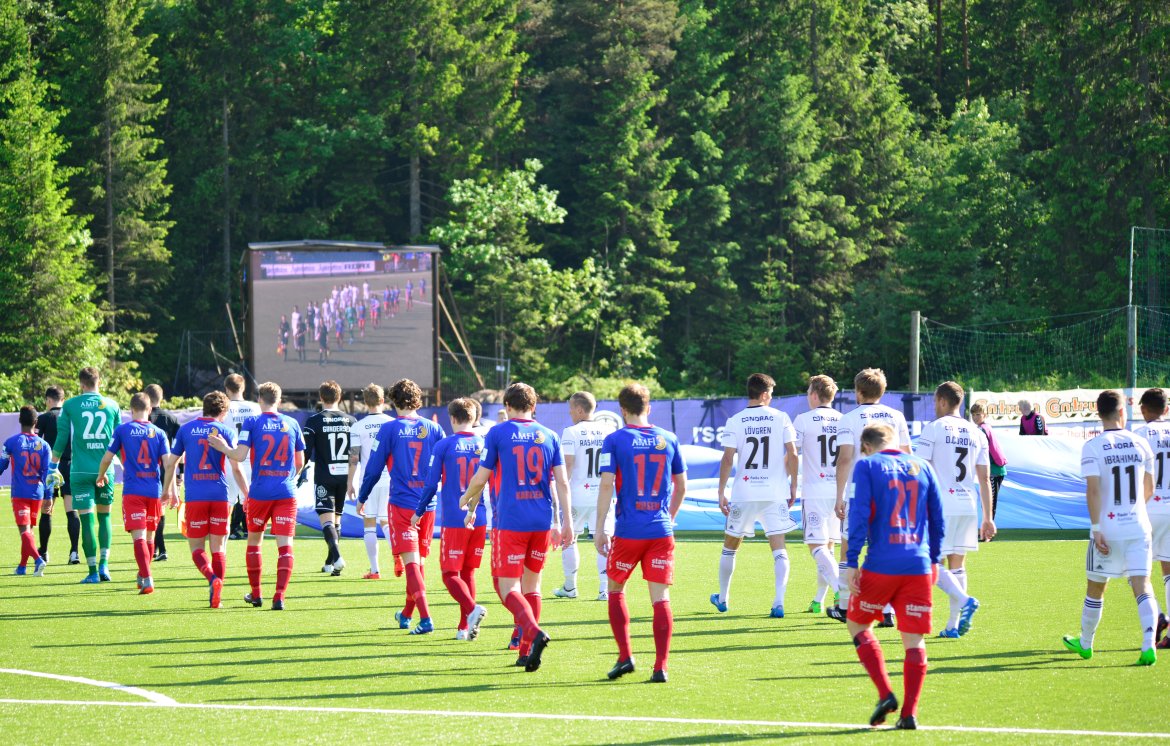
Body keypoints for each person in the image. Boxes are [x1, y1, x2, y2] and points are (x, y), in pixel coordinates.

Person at [459, 382, 574, 671]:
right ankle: (524, 652)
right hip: (541, 520)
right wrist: (564, 523)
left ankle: (534, 633)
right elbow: (561, 482)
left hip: (511, 520)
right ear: (533, 407)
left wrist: (466, 497)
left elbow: (481, 476)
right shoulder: (549, 436)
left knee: (505, 587)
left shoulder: (498, 432)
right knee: (532, 586)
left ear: (507, 407)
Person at [845, 424, 943, 730]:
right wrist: (935, 559)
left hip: (881, 563)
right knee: (913, 640)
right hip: (918, 564)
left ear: (867, 446)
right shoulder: (923, 466)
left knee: (857, 623)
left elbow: (859, 515)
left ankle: (886, 693)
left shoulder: (867, 465)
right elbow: (938, 518)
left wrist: (851, 561)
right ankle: (909, 714)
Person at [596, 384, 687, 683]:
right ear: (649, 407)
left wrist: (600, 528)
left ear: (622, 410)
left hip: (628, 531)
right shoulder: (669, 438)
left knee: (615, 589)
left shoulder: (614, 440)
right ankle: (661, 666)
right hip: (660, 530)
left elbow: (607, 485)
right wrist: (667, 519)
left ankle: (625, 656)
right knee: (660, 598)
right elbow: (681, 486)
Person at [1062, 389, 1160, 666]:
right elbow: (1149, 489)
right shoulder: (1141, 444)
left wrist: (1096, 527)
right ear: (1121, 412)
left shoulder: (1092, 447)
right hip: (1139, 526)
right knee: (1142, 586)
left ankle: (1086, 643)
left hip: (1108, 527)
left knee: (1096, 587)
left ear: (1099, 414)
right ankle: (1147, 644)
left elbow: (1092, 491)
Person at [357, 379, 445, 634]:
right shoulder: (435, 429)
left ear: (393, 401)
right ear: (418, 399)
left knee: (411, 564)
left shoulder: (390, 429)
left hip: (402, 505)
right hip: (428, 506)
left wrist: (362, 497)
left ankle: (426, 618)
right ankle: (406, 613)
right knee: (418, 564)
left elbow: (373, 468)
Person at [209, 381, 306, 610]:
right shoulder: (292, 423)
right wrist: (288, 477)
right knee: (285, 546)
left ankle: (256, 593)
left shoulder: (252, 422)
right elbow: (300, 461)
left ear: (260, 400)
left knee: (254, 543)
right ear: (279, 401)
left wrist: (223, 447)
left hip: (260, 492)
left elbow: (240, 455)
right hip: (286, 491)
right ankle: (279, 596)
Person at [711, 373, 798, 617]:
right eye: (770, 393)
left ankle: (723, 598)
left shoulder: (735, 421)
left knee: (730, 546)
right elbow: (792, 454)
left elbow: (728, 458)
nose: (771, 397)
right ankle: (778, 602)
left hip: (744, 492)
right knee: (779, 548)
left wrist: (721, 492)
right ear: (764, 394)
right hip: (774, 493)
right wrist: (793, 485)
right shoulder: (781, 418)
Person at [830, 368, 912, 624]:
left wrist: (839, 495)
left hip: (861, 491)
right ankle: (886, 611)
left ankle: (844, 606)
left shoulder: (849, 418)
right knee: (883, 548)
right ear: (883, 391)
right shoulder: (896, 416)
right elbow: (907, 454)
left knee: (848, 547)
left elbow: (844, 459)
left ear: (858, 391)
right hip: (892, 491)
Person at [915, 382, 996, 637]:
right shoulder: (977, 433)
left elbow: (921, 472)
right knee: (957, 565)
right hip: (967, 506)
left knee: (930, 565)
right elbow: (984, 478)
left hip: (940, 506)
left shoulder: (934, 429)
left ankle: (964, 600)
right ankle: (952, 626)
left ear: (941, 400)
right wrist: (989, 517)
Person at [414, 398, 489, 640]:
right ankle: (464, 628)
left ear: (453, 419)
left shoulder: (444, 445)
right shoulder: (485, 444)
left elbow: (431, 482)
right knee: (468, 573)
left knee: (449, 575)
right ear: (474, 417)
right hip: (480, 517)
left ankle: (472, 610)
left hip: (455, 518)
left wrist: (419, 510)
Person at [165, 391, 243, 608]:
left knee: (197, 549)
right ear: (224, 411)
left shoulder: (186, 429)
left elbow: (171, 463)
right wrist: (246, 493)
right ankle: (217, 596)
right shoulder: (226, 431)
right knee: (219, 548)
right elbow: (236, 465)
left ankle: (212, 579)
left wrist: (168, 490)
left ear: (203, 407)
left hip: (195, 496)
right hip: (220, 495)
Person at [49, 367, 120, 583]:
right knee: (105, 516)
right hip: (106, 470)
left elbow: (62, 438)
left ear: (81, 384)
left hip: (80, 470)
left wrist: (53, 465)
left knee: (87, 520)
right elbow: (117, 441)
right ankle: (104, 565)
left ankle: (92, 572)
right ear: (100, 382)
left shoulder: (70, 405)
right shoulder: (113, 405)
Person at [93, 394, 168, 594]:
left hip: (133, 491)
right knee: (150, 537)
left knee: (139, 537)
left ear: (130, 409)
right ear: (150, 409)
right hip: (154, 490)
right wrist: (171, 489)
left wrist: (101, 476)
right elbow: (169, 464)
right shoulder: (159, 433)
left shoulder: (122, 430)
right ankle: (143, 574)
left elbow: (107, 457)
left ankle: (148, 577)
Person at [554, 391, 618, 601]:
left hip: (577, 495)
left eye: (571, 408)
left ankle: (570, 587)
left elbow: (569, 465)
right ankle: (604, 589)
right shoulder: (609, 431)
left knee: (570, 539)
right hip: (603, 494)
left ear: (580, 409)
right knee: (604, 537)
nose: (570, 412)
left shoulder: (571, 432)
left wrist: (562, 491)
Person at [792, 375, 843, 613]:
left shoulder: (803, 420)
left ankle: (842, 591)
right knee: (829, 548)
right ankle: (819, 600)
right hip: (839, 491)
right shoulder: (844, 420)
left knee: (816, 547)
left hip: (814, 491)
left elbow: (791, 453)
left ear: (814, 395)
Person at [300, 381, 355, 576]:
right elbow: (355, 453)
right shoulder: (351, 421)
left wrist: (298, 471)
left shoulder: (314, 421)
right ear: (339, 398)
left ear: (321, 398)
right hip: (344, 476)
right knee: (336, 521)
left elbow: (305, 453)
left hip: (325, 476)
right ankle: (330, 563)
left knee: (327, 522)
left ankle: (338, 557)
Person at [1133, 388, 1170, 649]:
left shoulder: (1138, 436)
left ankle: (1156, 616)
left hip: (1147, 508)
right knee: (1169, 571)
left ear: (1143, 409)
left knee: (1134, 568)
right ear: (1166, 409)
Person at [348, 384, 394, 579]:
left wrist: (350, 482)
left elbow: (354, 458)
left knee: (369, 523)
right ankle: (400, 559)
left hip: (369, 480)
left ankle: (375, 570)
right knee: (387, 522)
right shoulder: (393, 423)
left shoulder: (358, 426)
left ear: (365, 403)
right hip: (391, 479)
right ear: (383, 400)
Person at [1, 406, 51, 576]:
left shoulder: (10, 442)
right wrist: (49, 496)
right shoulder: (45, 445)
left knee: (24, 531)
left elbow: (2, 465)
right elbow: (48, 474)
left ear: (19, 421)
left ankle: (38, 560)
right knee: (29, 532)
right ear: (36, 422)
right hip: (37, 493)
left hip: (20, 493)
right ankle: (22, 567)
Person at [35, 385, 77, 565]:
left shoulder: (43, 418)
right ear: (64, 400)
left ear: (49, 400)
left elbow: (37, 444)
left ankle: (43, 552)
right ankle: (74, 552)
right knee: (72, 511)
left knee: (47, 511)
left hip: (50, 468)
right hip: (69, 465)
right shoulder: (72, 418)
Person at [145, 384, 181, 562]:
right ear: (162, 397)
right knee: (160, 510)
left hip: (146, 469)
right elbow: (180, 448)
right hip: (165, 468)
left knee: (149, 512)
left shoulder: (144, 417)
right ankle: (158, 548)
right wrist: (179, 472)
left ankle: (159, 548)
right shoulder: (171, 419)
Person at [224, 374, 260, 540]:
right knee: (250, 498)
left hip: (230, 459)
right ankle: (250, 529)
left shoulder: (224, 408)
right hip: (251, 460)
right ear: (243, 388)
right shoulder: (255, 408)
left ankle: (226, 530)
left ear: (227, 389)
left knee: (228, 501)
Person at [969, 403, 1007, 525]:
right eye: (973, 415)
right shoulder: (985, 427)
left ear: (985, 415)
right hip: (994, 469)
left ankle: (988, 529)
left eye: (978, 414)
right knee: (988, 501)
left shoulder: (982, 429)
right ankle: (987, 527)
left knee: (989, 502)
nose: (975, 417)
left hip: (994, 469)